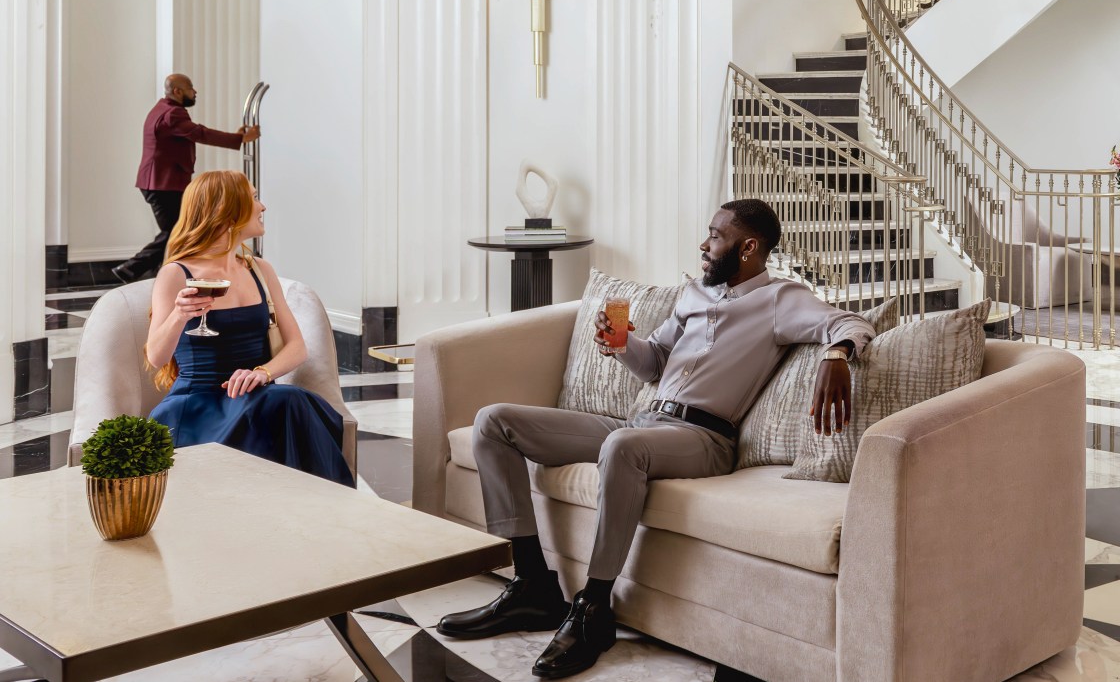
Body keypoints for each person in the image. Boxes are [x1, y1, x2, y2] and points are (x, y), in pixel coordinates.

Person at [438, 198, 875, 679]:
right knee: (494, 421)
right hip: (640, 422)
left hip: (703, 439)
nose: (704, 245)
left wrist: (835, 355)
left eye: (715, 236)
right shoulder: (694, 295)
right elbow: (654, 362)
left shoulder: (780, 300)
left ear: (749, 247)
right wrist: (623, 345)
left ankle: (594, 609)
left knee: (621, 448)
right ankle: (531, 586)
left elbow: (849, 322)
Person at [144, 169, 353, 487]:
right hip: (195, 404)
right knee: (286, 404)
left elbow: (297, 346)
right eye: (254, 198)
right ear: (227, 209)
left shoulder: (260, 269)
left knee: (290, 401)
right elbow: (157, 357)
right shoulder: (176, 273)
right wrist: (178, 315)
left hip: (255, 396)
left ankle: (318, 515)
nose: (263, 206)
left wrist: (262, 373)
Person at [116, 74, 259, 284]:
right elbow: (200, 133)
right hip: (163, 184)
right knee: (175, 231)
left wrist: (236, 136)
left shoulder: (162, 109)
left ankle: (156, 271)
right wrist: (240, 139)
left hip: (159, 182)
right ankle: (130, 270)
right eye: (191, 88)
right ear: (178, 91)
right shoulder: (173, 114)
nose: (195, 92)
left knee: (176, 229)